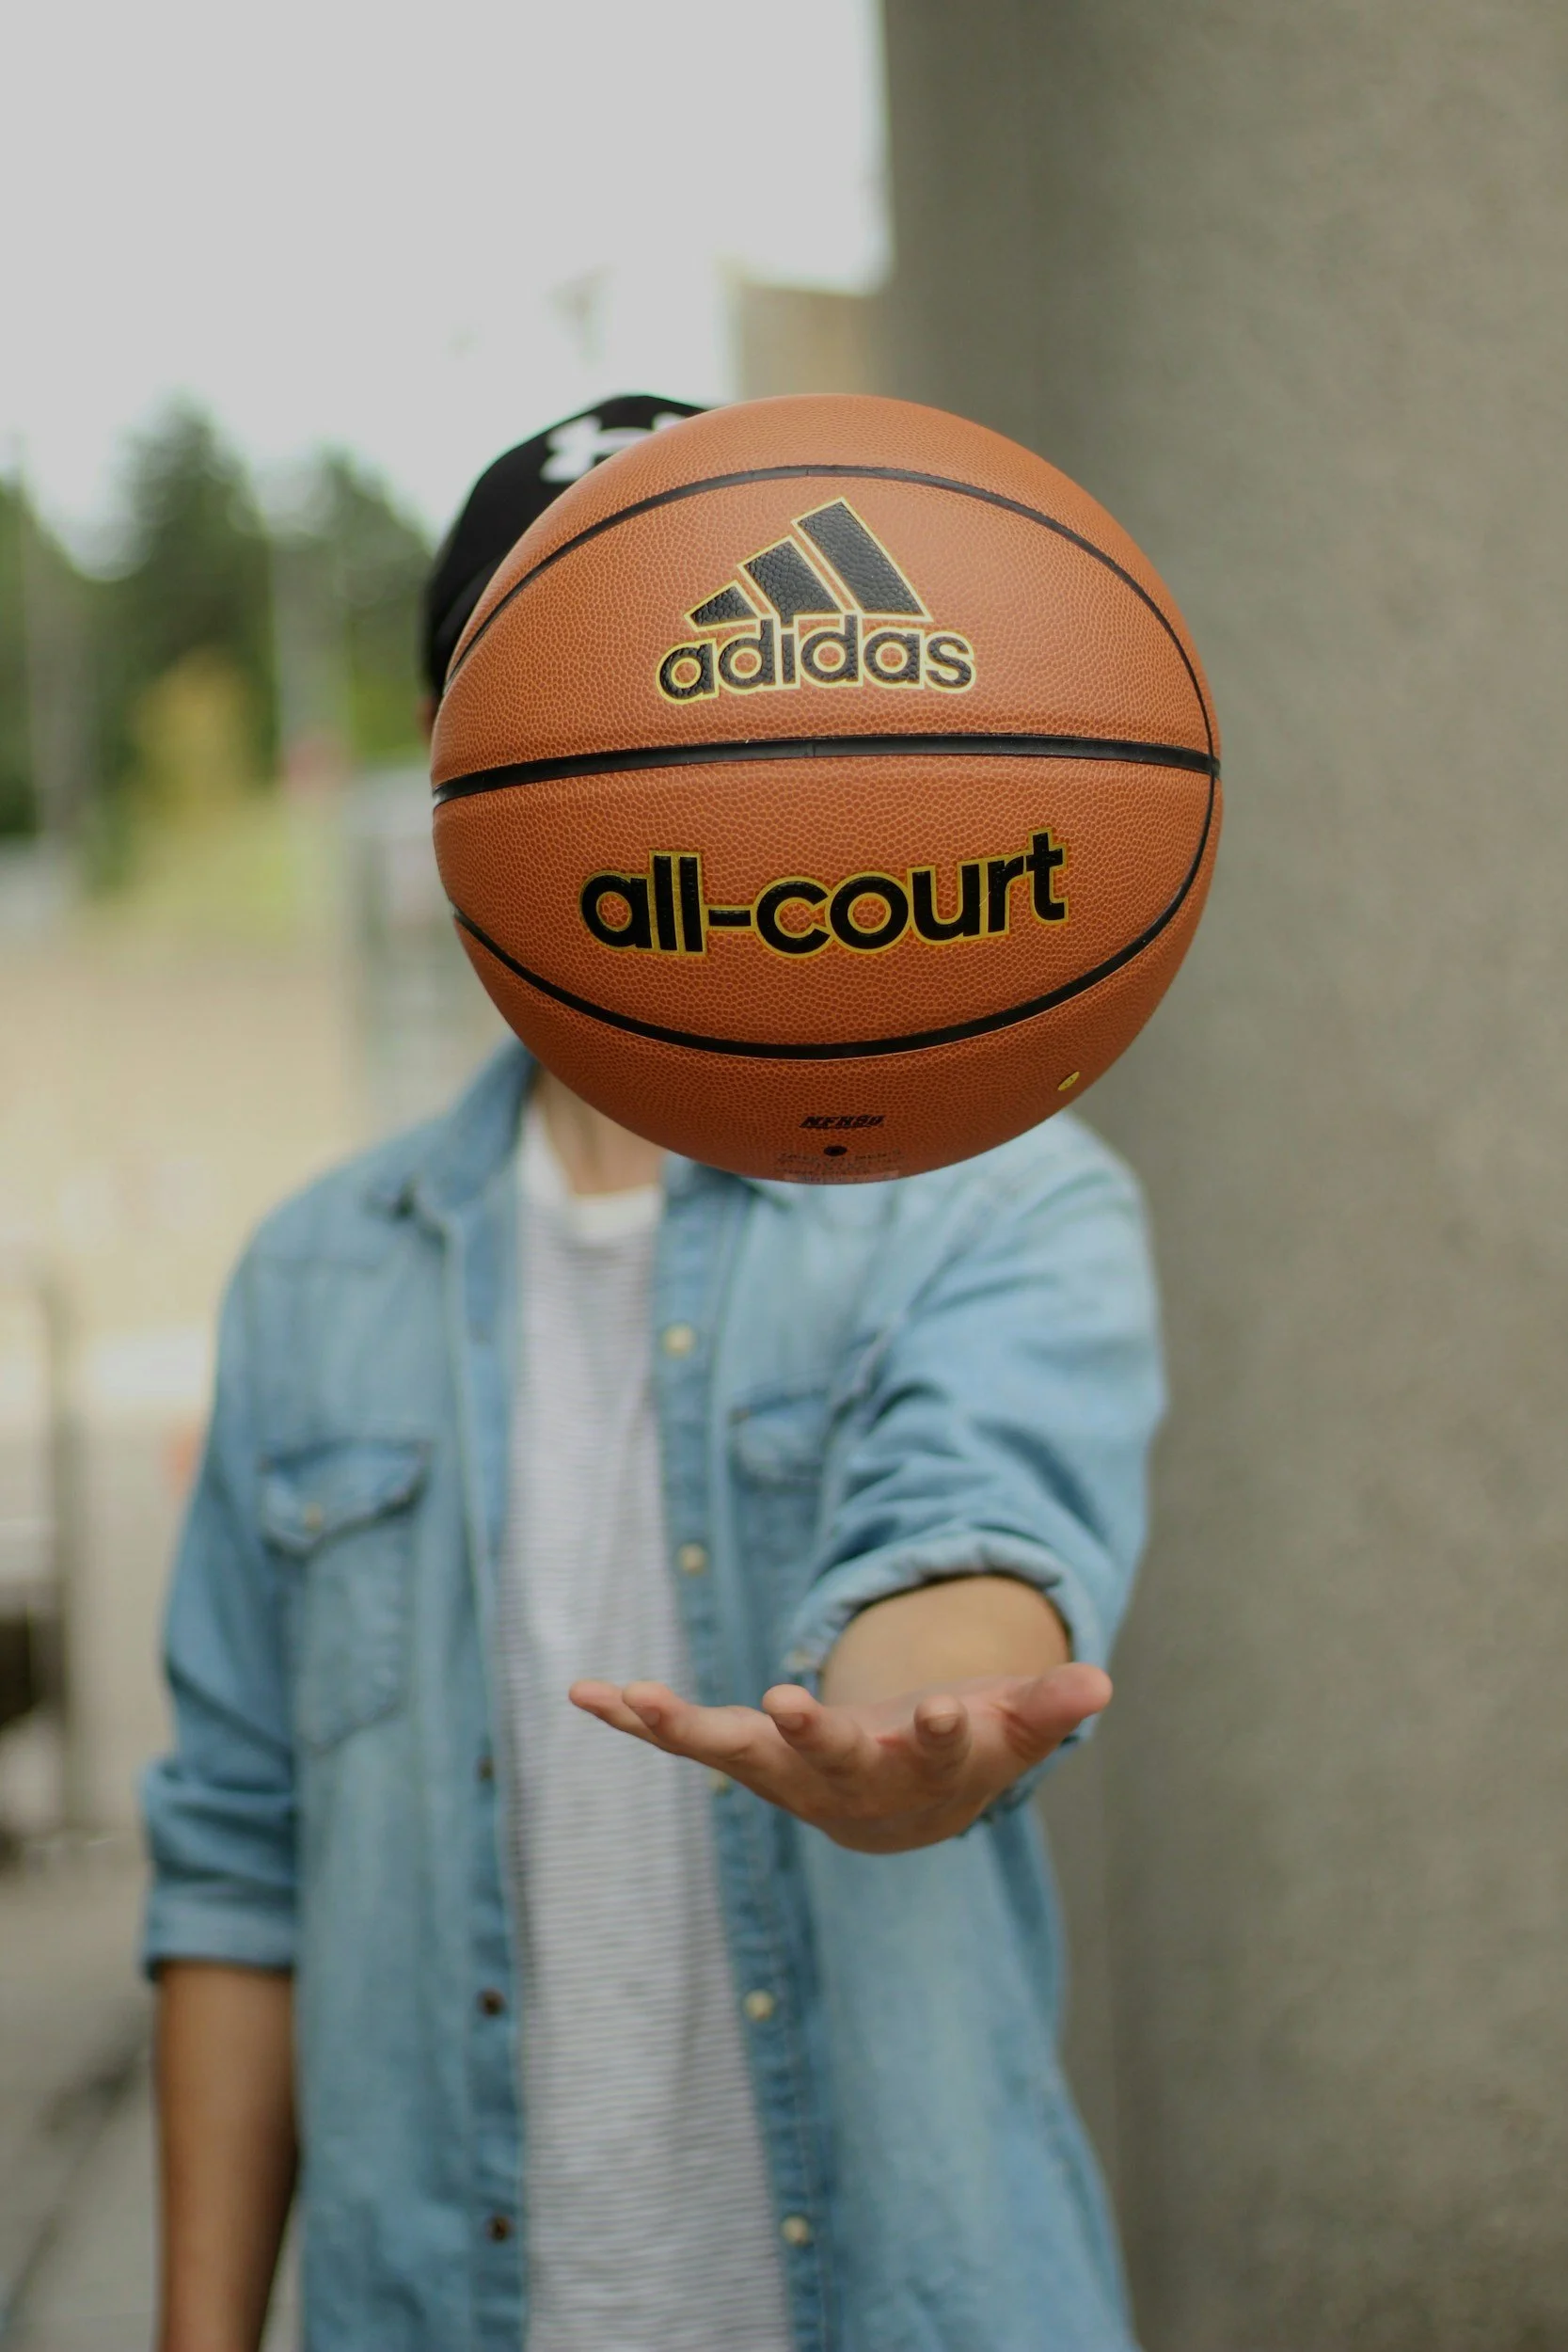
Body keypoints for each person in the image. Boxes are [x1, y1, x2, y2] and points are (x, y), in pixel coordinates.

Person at [144, 397, 1165, 2352]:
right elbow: (234, 1856)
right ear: (471, 784)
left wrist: (899, 1737)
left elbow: (974, 1535)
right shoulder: (313, 1279)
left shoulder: (1000, 1197)